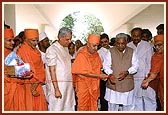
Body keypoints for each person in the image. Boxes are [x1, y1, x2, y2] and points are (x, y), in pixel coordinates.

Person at [71, 34, 108, 111]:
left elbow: (98, 69)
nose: (96, 48)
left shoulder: (96, 54)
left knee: (93, 104)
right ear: (88, 44)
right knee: (83, 106)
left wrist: (102, 75)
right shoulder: (82, 54)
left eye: (97, 46)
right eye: (94, 46)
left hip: (94, 84)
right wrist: (99, 76)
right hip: (83, 85)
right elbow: (83, 72)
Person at [104, 33, 139, 111]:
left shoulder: (132, 51)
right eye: (118, 43)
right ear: (115, 43)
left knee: (128, 106)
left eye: (122, 43)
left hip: (127, 84)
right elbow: (106, 66)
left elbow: (136, 66)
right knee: (112, 106)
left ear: (126, 43)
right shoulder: (110, 51)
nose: (120, 46)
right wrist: (110, 74)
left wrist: (127, 72)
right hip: (114, 84)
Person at [45, 27, 75, 111]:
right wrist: (56, 89)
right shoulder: (52, 50)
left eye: (70, 39)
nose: (69, 42)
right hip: (58, 88)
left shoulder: (65, 48)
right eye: (67, 39)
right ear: (60, 38)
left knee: (68, 107)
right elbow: (52, 70)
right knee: (57, 108)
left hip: (67, 88)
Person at [17, 29, 47, 110]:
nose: (36, 43)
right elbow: (23, 71)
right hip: (27, 85)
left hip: (38, 83)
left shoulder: (36, 51)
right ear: (26, 40)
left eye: (37, 40)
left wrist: (37, 82)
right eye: (33, 40)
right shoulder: (21, 51)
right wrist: (33, 86)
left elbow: (41, 67)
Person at [127, 27, 154, 111]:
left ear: (141, 36)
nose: (136, 38)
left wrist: (147, 76)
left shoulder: (147, 45)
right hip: (133, 77)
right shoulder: (128, 46)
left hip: (146, 77)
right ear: (131, 36)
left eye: (138, 36)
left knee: (149, 98)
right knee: (136, 99)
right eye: (134, 36)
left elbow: (149, 62)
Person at [4, 28, 26, 111]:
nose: (13, 43)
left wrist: (27, 73)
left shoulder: (12, 54)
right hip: (5, 91)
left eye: (13, 40)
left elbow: (23, 69)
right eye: (9, 40)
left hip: (16, 89)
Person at [141, 35, 164, 111]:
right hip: (163, 85)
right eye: (155, 46)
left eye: (160, 45)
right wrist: (147, 80)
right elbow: (154, 72)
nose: (157, 47)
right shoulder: (156, 56)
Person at [97, 33, 111, 111]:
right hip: (104, 75)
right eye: (101, 42)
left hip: (114, 73)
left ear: (108, 41)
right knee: (104, 95)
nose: (104, 44)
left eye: (105, 41)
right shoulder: (99, 52)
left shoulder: (114, 49)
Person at [38, 32, 50, 102]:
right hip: (42, 84)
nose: (48, 42)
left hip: (50, 83)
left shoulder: (51, 52)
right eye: (46, 41)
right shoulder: (37, 54)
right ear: (40, 43)